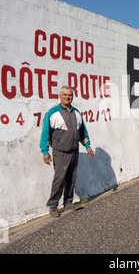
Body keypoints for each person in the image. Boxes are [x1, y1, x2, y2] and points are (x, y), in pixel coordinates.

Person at [40, 85, 94, 217]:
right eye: (65, 95)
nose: (67, 97)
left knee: (71, 177)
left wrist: (87, 146)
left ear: (72, 97)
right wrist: (45, 151)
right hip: (60, 152)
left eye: (70, 95)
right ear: (60, 96)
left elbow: (82, 132)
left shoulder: (77, 113)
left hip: (74, 151)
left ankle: (68, 202)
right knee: (59, 178)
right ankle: (53, 205)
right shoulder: (53, 113)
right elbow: (45, 134)